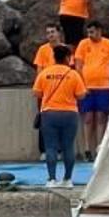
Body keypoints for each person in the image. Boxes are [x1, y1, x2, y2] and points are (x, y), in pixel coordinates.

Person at [32, 44, 88, 188]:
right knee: (68, 147)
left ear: (54, 57)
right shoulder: (73, 74)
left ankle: (51, 179)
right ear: (67, 58)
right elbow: (81, 95)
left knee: (50, 147)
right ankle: (67, 179)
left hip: (49, 113)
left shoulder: (44, 73)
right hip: (69, 113)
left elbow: (37, 93)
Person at [74, 20, 109, 161]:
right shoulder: (83, 44)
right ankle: (87, 148)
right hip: (87, 86)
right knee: (87, 117)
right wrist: (81, 84)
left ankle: (100, 147)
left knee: (101, 117)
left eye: (92, 32)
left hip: (103, 86)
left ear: (99, 31)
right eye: (88, 32)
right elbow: (78, 65)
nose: (90, 35)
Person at [31, 24, 63, 159]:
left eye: (52, 32)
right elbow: (39, 70)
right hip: (46, 91)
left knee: (61, 120)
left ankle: (60, 150)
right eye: (48, 33)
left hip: (62, 90)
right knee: (45, 120)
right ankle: (44, 150)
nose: (50, 35)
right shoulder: (42, 50)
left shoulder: (65, 49)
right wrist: (40, 88)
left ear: (58, 33)